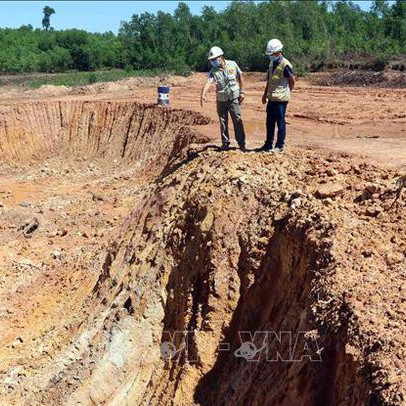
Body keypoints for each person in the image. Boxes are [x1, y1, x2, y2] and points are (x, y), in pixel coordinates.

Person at [200, 46, 246, 151]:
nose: (213, 62)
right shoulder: (213, 71)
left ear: (221, 56)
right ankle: (225, 143)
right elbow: (208, 82)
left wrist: (242, 92)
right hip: (221, 100)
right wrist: (204, 94)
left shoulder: (232, 64)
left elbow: (240, 77)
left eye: (214, 59)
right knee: (223, 121)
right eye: (211, 60)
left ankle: (241, 144)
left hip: (233, 98)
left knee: (237, 120)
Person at [261, 39, 295, 153]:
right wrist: (265, 94)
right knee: (269, 122)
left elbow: (292, 80)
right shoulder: (272, 64)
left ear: (278, 52)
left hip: (281, 99)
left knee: (280, 122)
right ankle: (268, 144)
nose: (270, 56)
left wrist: (287, 90)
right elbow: (269, 81)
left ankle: (279, 145)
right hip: (271, 98)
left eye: (271, 54)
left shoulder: (285, 65)